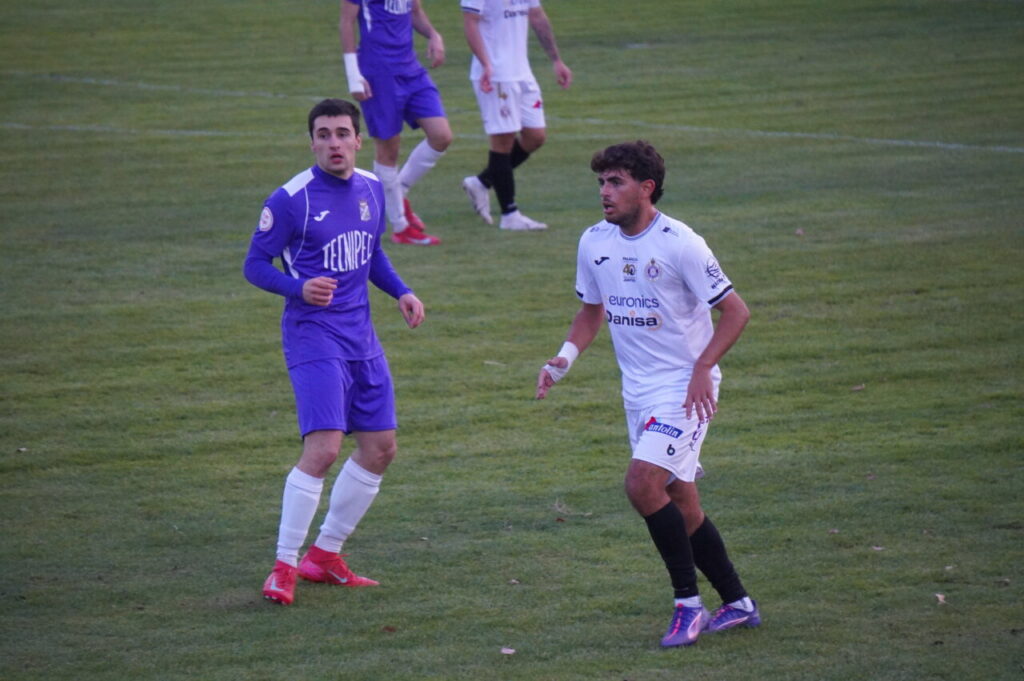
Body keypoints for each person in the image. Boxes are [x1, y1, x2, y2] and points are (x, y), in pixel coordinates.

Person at [535, 141, 760, 647]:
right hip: (637, 392)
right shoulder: (594, 241)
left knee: (641, 485)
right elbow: (592, 310)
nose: (604, 192)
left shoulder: (681, 243)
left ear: (646, 188)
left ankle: (688, 606)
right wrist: (562, 360)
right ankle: (739, 602)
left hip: (685, 390)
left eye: (615, 182)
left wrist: (704, 366)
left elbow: (737, 310)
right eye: (601, 182)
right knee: (681, 499)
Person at [244, 98, 425, 606]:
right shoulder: (290, 199)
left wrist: (402, 291)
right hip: (313, 336)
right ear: (312, 143)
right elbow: (254, 264)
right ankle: (283, 567)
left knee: (380, 448)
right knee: (323, 449)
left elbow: (371, 253)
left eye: (342, 133)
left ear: (357, 139)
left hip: (360, 338)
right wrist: (298, 288)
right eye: (323, 135)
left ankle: (324, 557)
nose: (334, 143)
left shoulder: (370, 187)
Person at [340, 0, 452, 246]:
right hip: (378, 71)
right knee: (388, 150)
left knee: (441, 136)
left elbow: (415, 11)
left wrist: (434, 34)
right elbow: (347, 21)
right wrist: (353, 75)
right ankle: (401, 227)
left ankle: (397, 194)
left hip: (411, 69)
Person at [460, 0, 572, 231]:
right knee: (503, 141)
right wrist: (486, 64)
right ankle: (510, 215)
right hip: (497, 75)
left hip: (522, 73)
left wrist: (556, 60)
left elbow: (537, 16)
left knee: (535, 136)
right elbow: (470, 24)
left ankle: (482, 182)